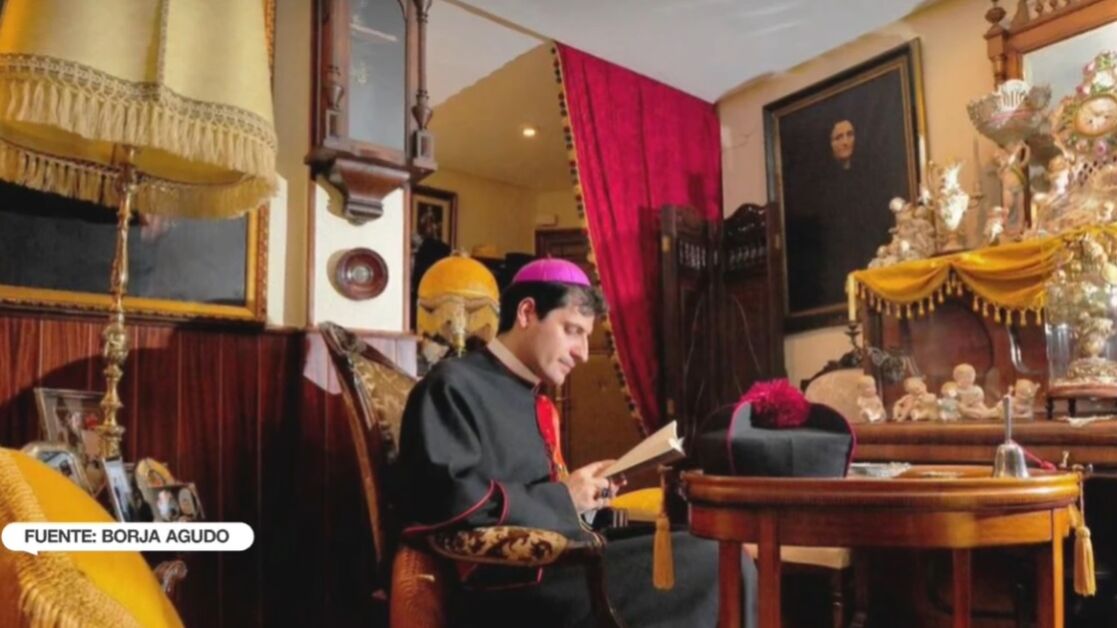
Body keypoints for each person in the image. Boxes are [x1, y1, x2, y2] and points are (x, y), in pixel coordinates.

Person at [396, 258, 757, 628]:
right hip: (511, 587)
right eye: (572, 331)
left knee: (716, 546)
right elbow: (448, 501)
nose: (583, 353)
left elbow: (542, 502)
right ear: (526, 312)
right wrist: (566, 497)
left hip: (559, 563)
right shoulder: (452, 384)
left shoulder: (538, 401)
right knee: (716, 562)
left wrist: (589, 499)